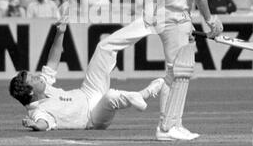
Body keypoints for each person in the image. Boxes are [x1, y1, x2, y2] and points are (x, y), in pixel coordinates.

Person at [9, 17, 165, 131]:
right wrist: (34, 125)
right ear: (30, 91)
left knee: (104, 47)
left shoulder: (42, 88)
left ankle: (148, 23)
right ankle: (145, 93)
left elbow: (52, 61)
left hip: (88, 92)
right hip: (93, 117)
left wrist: (60, 33)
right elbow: (42, 124)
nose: (38, 77)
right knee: (111, 96)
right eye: (34, 79)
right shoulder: (37, 112)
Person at [150, 0, 223, 141]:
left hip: (168, 15)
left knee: (179, 72)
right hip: (174, 15)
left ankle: (174, 124)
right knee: (175, 72)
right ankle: (166, 127)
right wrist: (210, 20)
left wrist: (188, 19)